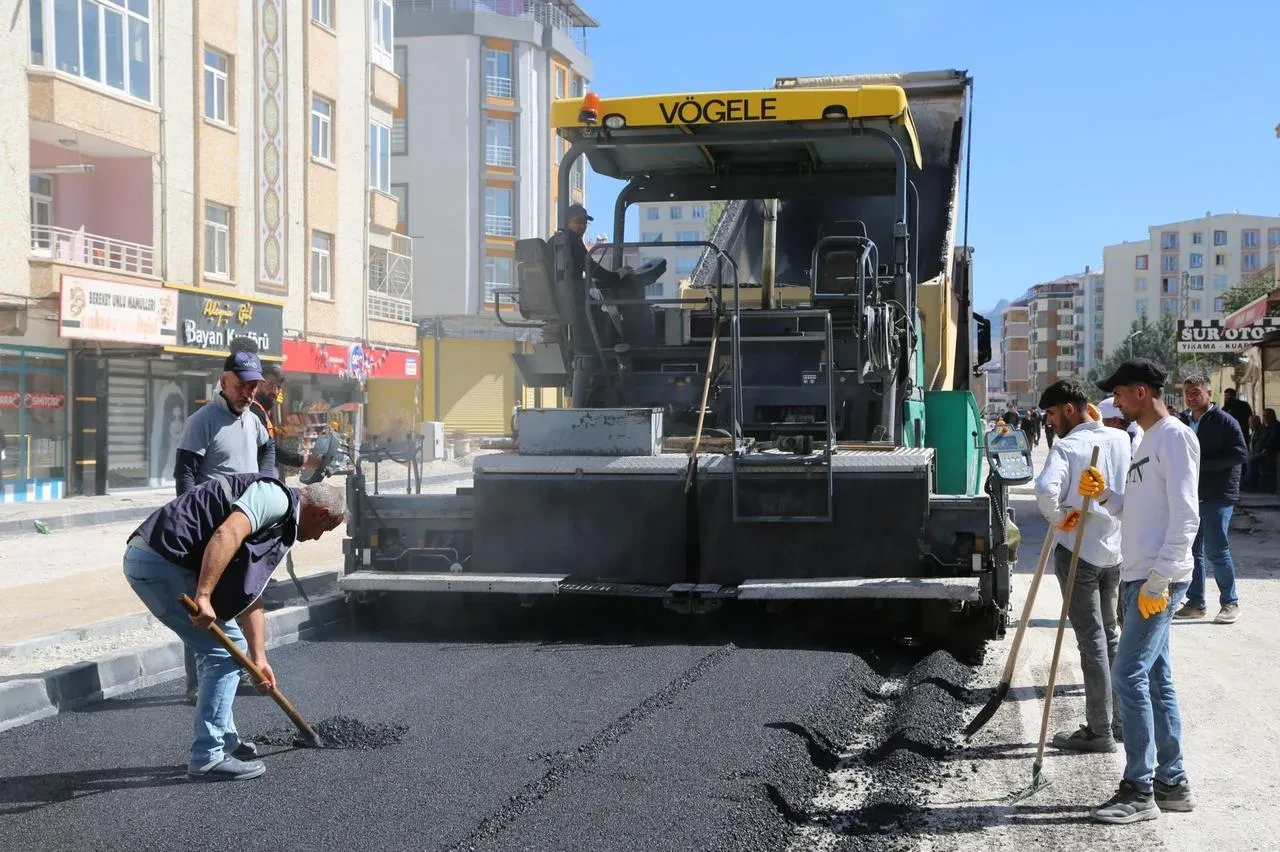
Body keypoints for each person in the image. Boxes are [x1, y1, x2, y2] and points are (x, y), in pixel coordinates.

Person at [122, 475, 345, 781]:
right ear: (321, 514)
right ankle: (207, 757)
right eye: (325, 529)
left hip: (163, 560)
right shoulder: (275, 500)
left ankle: (225, 741)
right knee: (224, 655)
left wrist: (259, 659)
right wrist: (203, 596)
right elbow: (227, 533)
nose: (319, 537)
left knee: (229, 648)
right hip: (162, 561)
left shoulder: (279, 520)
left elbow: (249, 594)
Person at [1077, 357, 1199, 823]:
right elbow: (1141, 510)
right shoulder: (1145, 441)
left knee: (1126, 674)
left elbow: (1187, 515)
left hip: (1155, 578)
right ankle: (1172, 782)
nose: (1116, 402)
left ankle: (1139, 789)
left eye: (1121, 394)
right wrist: (1106, 493)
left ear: (1142, 392)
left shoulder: (1174, 437)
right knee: (1155, 679)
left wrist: (1161, 578)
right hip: (1140, 575)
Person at [173, 343, 276, 701]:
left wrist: (268, 481)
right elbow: (185, 474)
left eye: (253, 385)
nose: (248, 391)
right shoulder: (202, 422)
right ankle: (196, 683)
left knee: (248, 595)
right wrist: (189, 523)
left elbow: (268, 448)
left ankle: (251, 668)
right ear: (224, 381)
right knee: (203, 605)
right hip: (210, 528)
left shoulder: (254, 419)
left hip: (244, 524)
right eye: (242, 384)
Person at [1034, 380, 1131, 753]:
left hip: (1078, 552)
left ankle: (1099, 731)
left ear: (1071, 410)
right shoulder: (1122, 440)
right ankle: (1121, 721)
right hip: (1115, 551)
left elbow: (1045, 490)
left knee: (1091, 642)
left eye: (1053, 414)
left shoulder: (1068, 447)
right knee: (1111, 637)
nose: (1051, 422)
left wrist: (1059, 517)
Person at [1174, 375, 1245, 624]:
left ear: (1209, 393)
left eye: (1196, 392)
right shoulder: (1182, 420)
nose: (1192, 398)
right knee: (1193, 551)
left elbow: (1239, 453)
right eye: (1188, 393)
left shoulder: (1224, 420)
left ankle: (1230, 603)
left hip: (1219, 494)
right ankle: (1196, 603)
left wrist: (1201, 465)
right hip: (1191, 495)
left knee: (1217, 549)